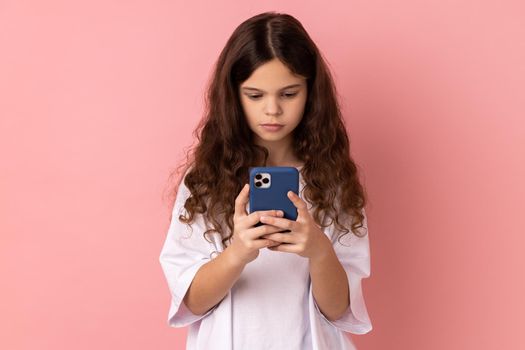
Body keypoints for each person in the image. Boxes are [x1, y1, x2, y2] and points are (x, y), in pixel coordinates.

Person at [159, 11, 372, 350]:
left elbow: (339, 309)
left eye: (289, 94)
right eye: (255, 95)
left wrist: (319, 250)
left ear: (311, 92)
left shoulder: (332, 180)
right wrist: (237, 253)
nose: (272, 110)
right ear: (233, 95)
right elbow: (192, 303)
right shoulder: (204, 181)